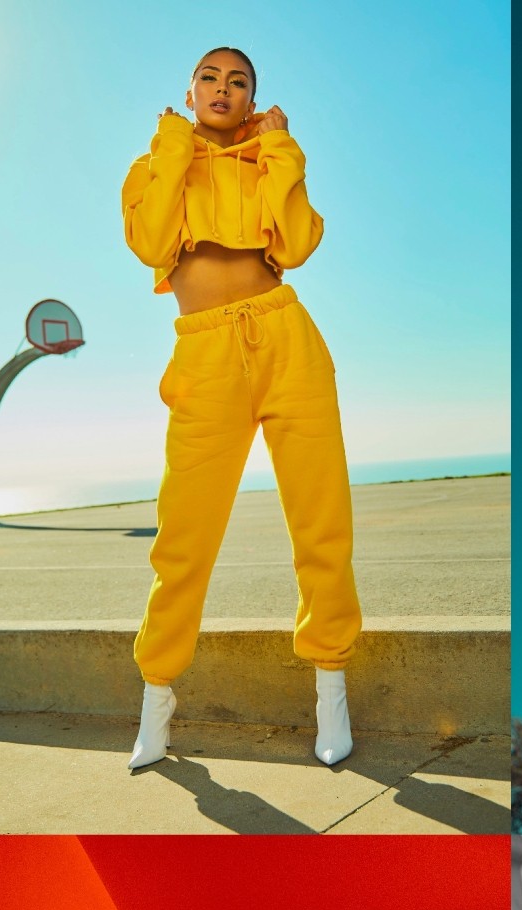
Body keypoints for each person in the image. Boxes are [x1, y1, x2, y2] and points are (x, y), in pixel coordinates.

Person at [120, 46, 362, 774]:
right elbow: (151, 242)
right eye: (210, 79)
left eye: (239, 82)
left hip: (286, 335)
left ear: (254, 97)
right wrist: (172, 146)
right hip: (204, 356)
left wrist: (282, 151)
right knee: (184, 536)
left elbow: (298, 242)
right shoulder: (153, 163)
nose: (223, 89)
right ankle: (157, 695)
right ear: (189, 91)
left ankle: (330, 686)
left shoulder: (269, 158)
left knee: (323, 522)